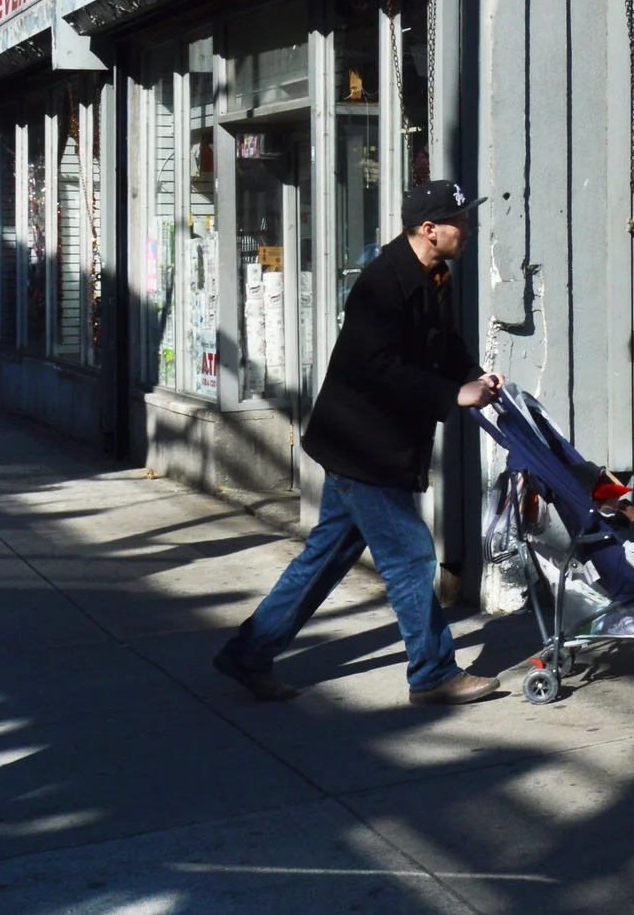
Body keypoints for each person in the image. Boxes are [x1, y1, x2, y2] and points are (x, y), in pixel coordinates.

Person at [213, 179, 505, 707]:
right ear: (429, 229)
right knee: (412, 556)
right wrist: (450, 394)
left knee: (326, 556)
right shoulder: (382, 283)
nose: (470, 229)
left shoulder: (435, 275)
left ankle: (248, 653)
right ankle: (433, 672)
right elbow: (378, 370)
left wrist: (476, 377)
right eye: (461, 222)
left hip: (374, 445)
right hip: (364, 446)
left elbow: (446, 346)